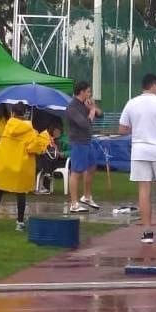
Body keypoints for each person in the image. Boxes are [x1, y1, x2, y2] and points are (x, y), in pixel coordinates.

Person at [119, 73, 156, 243]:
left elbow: (122, 129)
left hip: (140, 150)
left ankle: (146, 231)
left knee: (144, 189)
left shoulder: (132, 103)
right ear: (155, 85)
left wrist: (138, 130)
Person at [0, 103, 50, 230]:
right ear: (24, 114)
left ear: (13, 113)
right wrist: (42, 137)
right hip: (21, 166)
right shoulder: (30, 130)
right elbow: (32, 148)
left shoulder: (7, 127)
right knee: (20, 194)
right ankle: (19, 223)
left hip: (6, 165)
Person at [66, 81, 103, 213]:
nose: (90, 94)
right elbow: (85, 124)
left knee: (92, 166)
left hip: (88, 141)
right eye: (88, 91)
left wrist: (93, 107)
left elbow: (100, 114)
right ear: (81, 92)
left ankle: (86, 196)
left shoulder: (85, 104)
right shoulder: (72, 107)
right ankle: (74, 203)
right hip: (78, 142)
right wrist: (92, 110)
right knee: (76, 172)